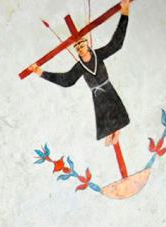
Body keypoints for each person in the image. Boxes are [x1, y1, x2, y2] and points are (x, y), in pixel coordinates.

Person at [28, 0, 132, 145]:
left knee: (116, 116)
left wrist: (124, 13)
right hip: (98, 96)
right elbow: (66, 80)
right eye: (77, 47)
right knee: (106, 120)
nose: (80, 49)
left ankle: (116, 133)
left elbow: (116, 43)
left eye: (81, 45)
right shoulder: (79, 67)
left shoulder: (99, 55)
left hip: (108, 90)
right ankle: (111, 135)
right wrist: (41, 72)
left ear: (87, 45)